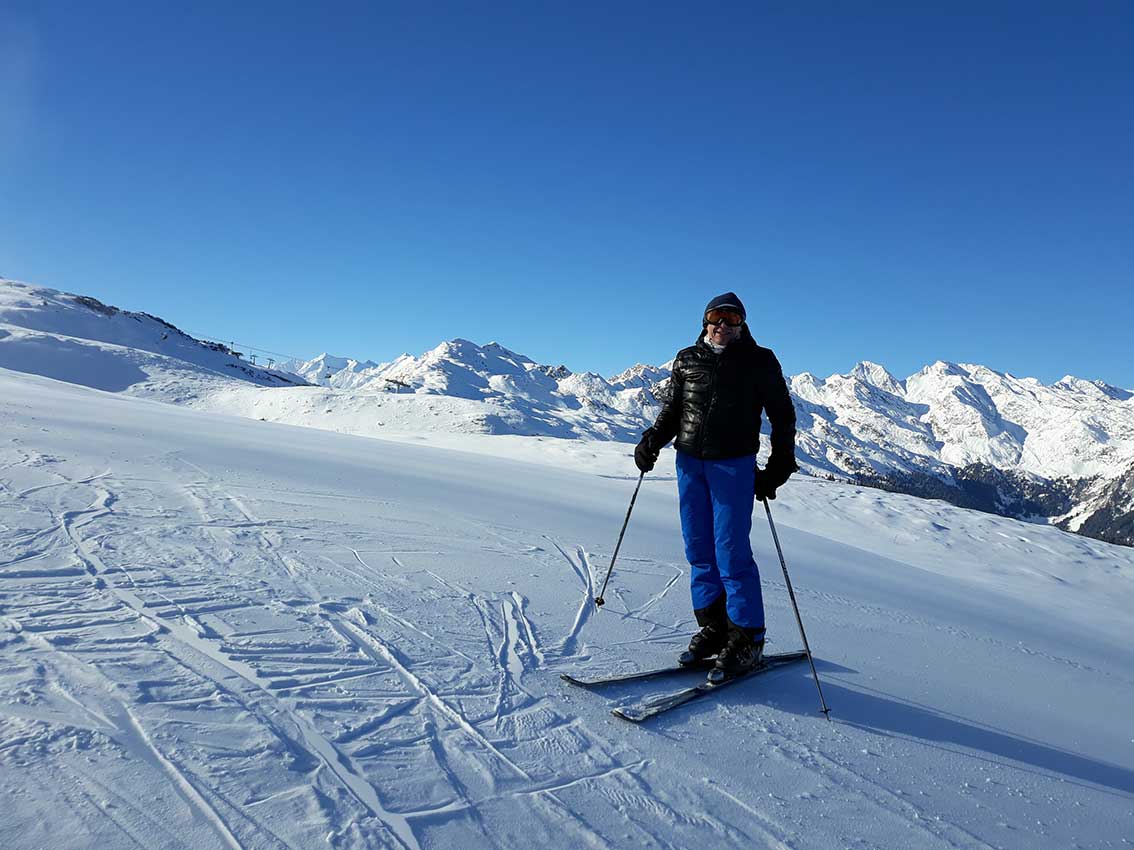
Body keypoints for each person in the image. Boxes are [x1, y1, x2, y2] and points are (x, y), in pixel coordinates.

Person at [635, 292, 797, 683]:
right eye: (715, 317)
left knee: (731, 552)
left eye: (731, 318)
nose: (721, 325)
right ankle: (715, 627)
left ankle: (747, 638)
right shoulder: (687, 359)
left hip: (733, 467)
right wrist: (652, 441)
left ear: (742, 325)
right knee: (698, 549)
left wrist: (777, 467)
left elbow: (782, 417)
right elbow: (673, 409)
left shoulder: (760, 362)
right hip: (689, 463)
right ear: (705, 321)